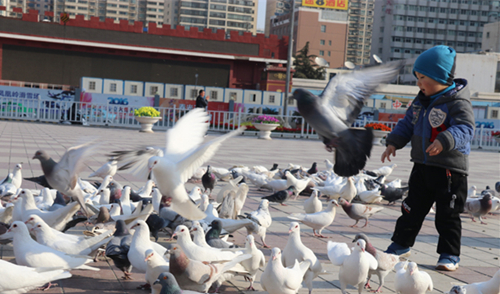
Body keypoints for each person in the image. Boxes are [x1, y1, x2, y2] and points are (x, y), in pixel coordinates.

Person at [381, 45, 475, 271]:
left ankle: (449, 254)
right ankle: (401, 244)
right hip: (422, 167)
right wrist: (394, 141)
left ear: (440, 77)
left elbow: (466, 128)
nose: (419, 83)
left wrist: (444, 140)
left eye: (423, 78)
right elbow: (407, 124)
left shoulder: (457, 102)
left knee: (448, 215)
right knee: (410, 209)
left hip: (450, 171)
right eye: (417, 78)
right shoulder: (419, 101)